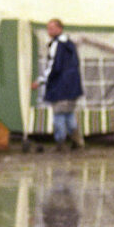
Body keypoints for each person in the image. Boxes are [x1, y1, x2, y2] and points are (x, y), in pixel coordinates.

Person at [31, 19, 84, 151]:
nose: (49, 31)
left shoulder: (57, 44)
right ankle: (77, 141)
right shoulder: (70, 44)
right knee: (69, 114)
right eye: (48, 28)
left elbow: (54, 66)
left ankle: (60, 142)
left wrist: (40, 80)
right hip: (73, 85)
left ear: (60, 28)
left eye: (52, 28)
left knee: (59, 115)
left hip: (60, 86)